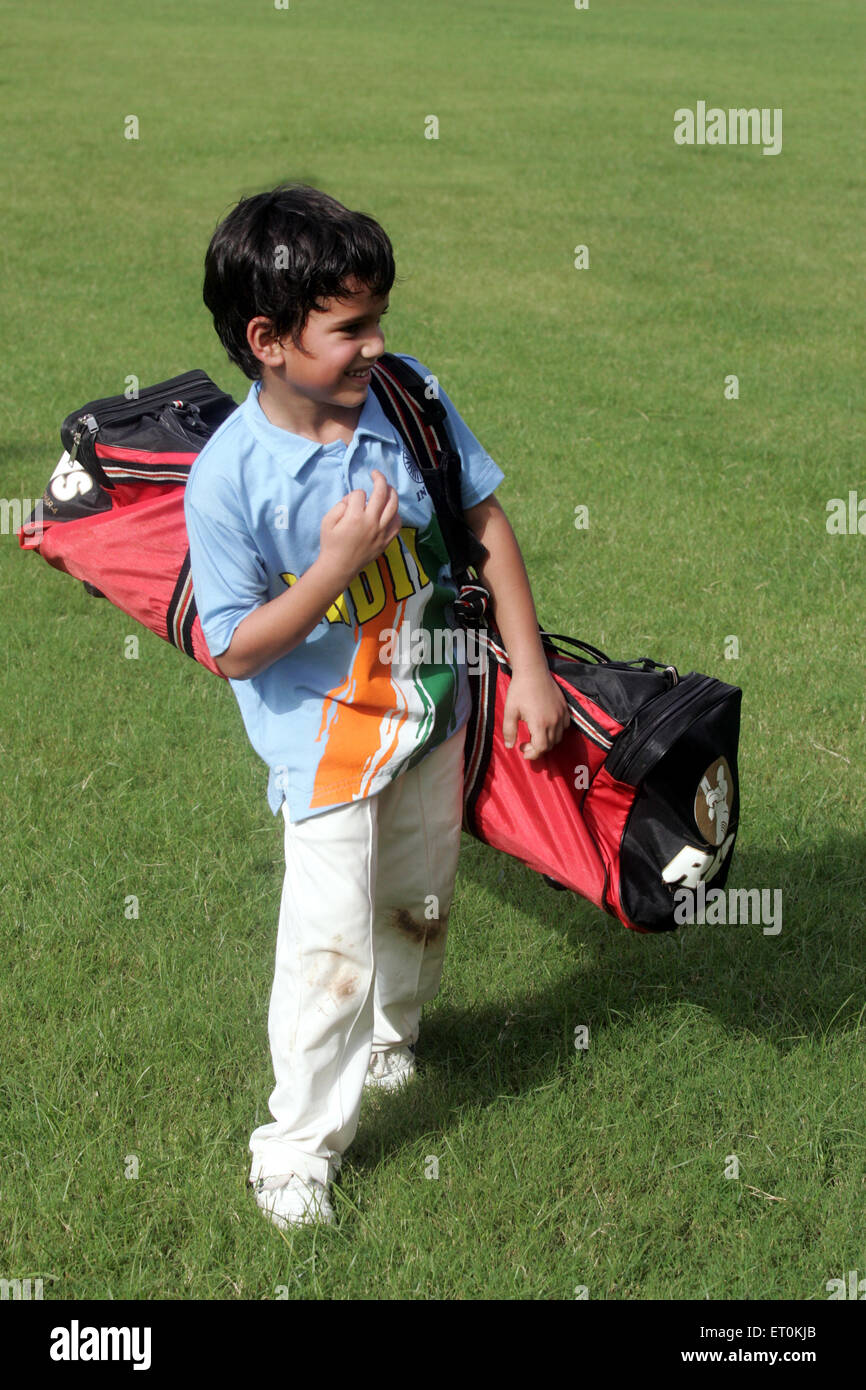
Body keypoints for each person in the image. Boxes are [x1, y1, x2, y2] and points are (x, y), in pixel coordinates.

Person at [184, 183, 569, 1229]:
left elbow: (482, 521)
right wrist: (332, 567)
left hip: (430, 710)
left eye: (377, 318)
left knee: (416, 905)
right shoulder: (228, 481)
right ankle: (296, 1147)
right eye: (347, 327)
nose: (374, 344)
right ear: (266, 339)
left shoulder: (406, 399)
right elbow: (231, 646)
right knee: (329, 948)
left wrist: (526, 669)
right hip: (323, 745)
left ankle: (394, 1045)